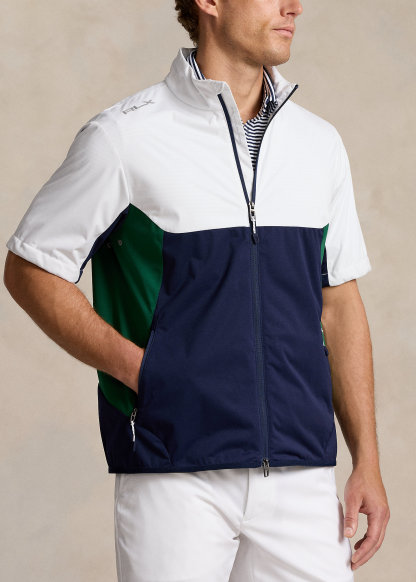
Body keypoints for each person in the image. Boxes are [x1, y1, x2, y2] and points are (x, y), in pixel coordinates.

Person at [3, 0, 390, 580]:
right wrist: (145, 372)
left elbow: (338, 306)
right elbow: (30, 268)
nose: (294, 6)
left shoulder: (319, 144)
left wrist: (368, 461)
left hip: (301, 471)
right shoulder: (125, 137)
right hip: (173, 467)